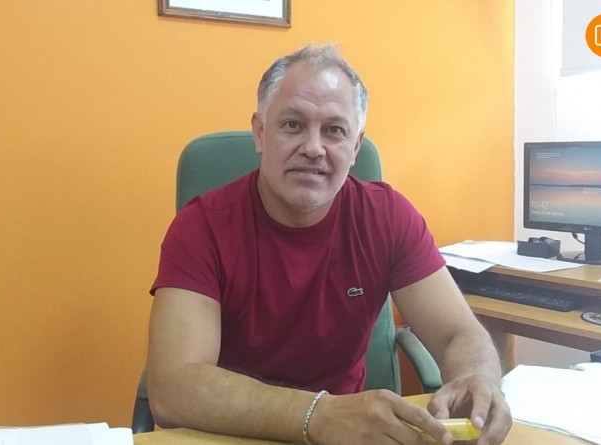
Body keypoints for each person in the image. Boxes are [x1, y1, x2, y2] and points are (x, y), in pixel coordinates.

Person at [147, 43, 512, 445]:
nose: (313, 147)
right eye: (292, 125)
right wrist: (317, 414)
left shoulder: (388, 217)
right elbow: (174, 387)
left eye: (334, 130)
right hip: (231, 435)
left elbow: (459, 334)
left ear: (355, 147)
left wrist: (477, 377)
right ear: (260, 133)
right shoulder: (201, 226)